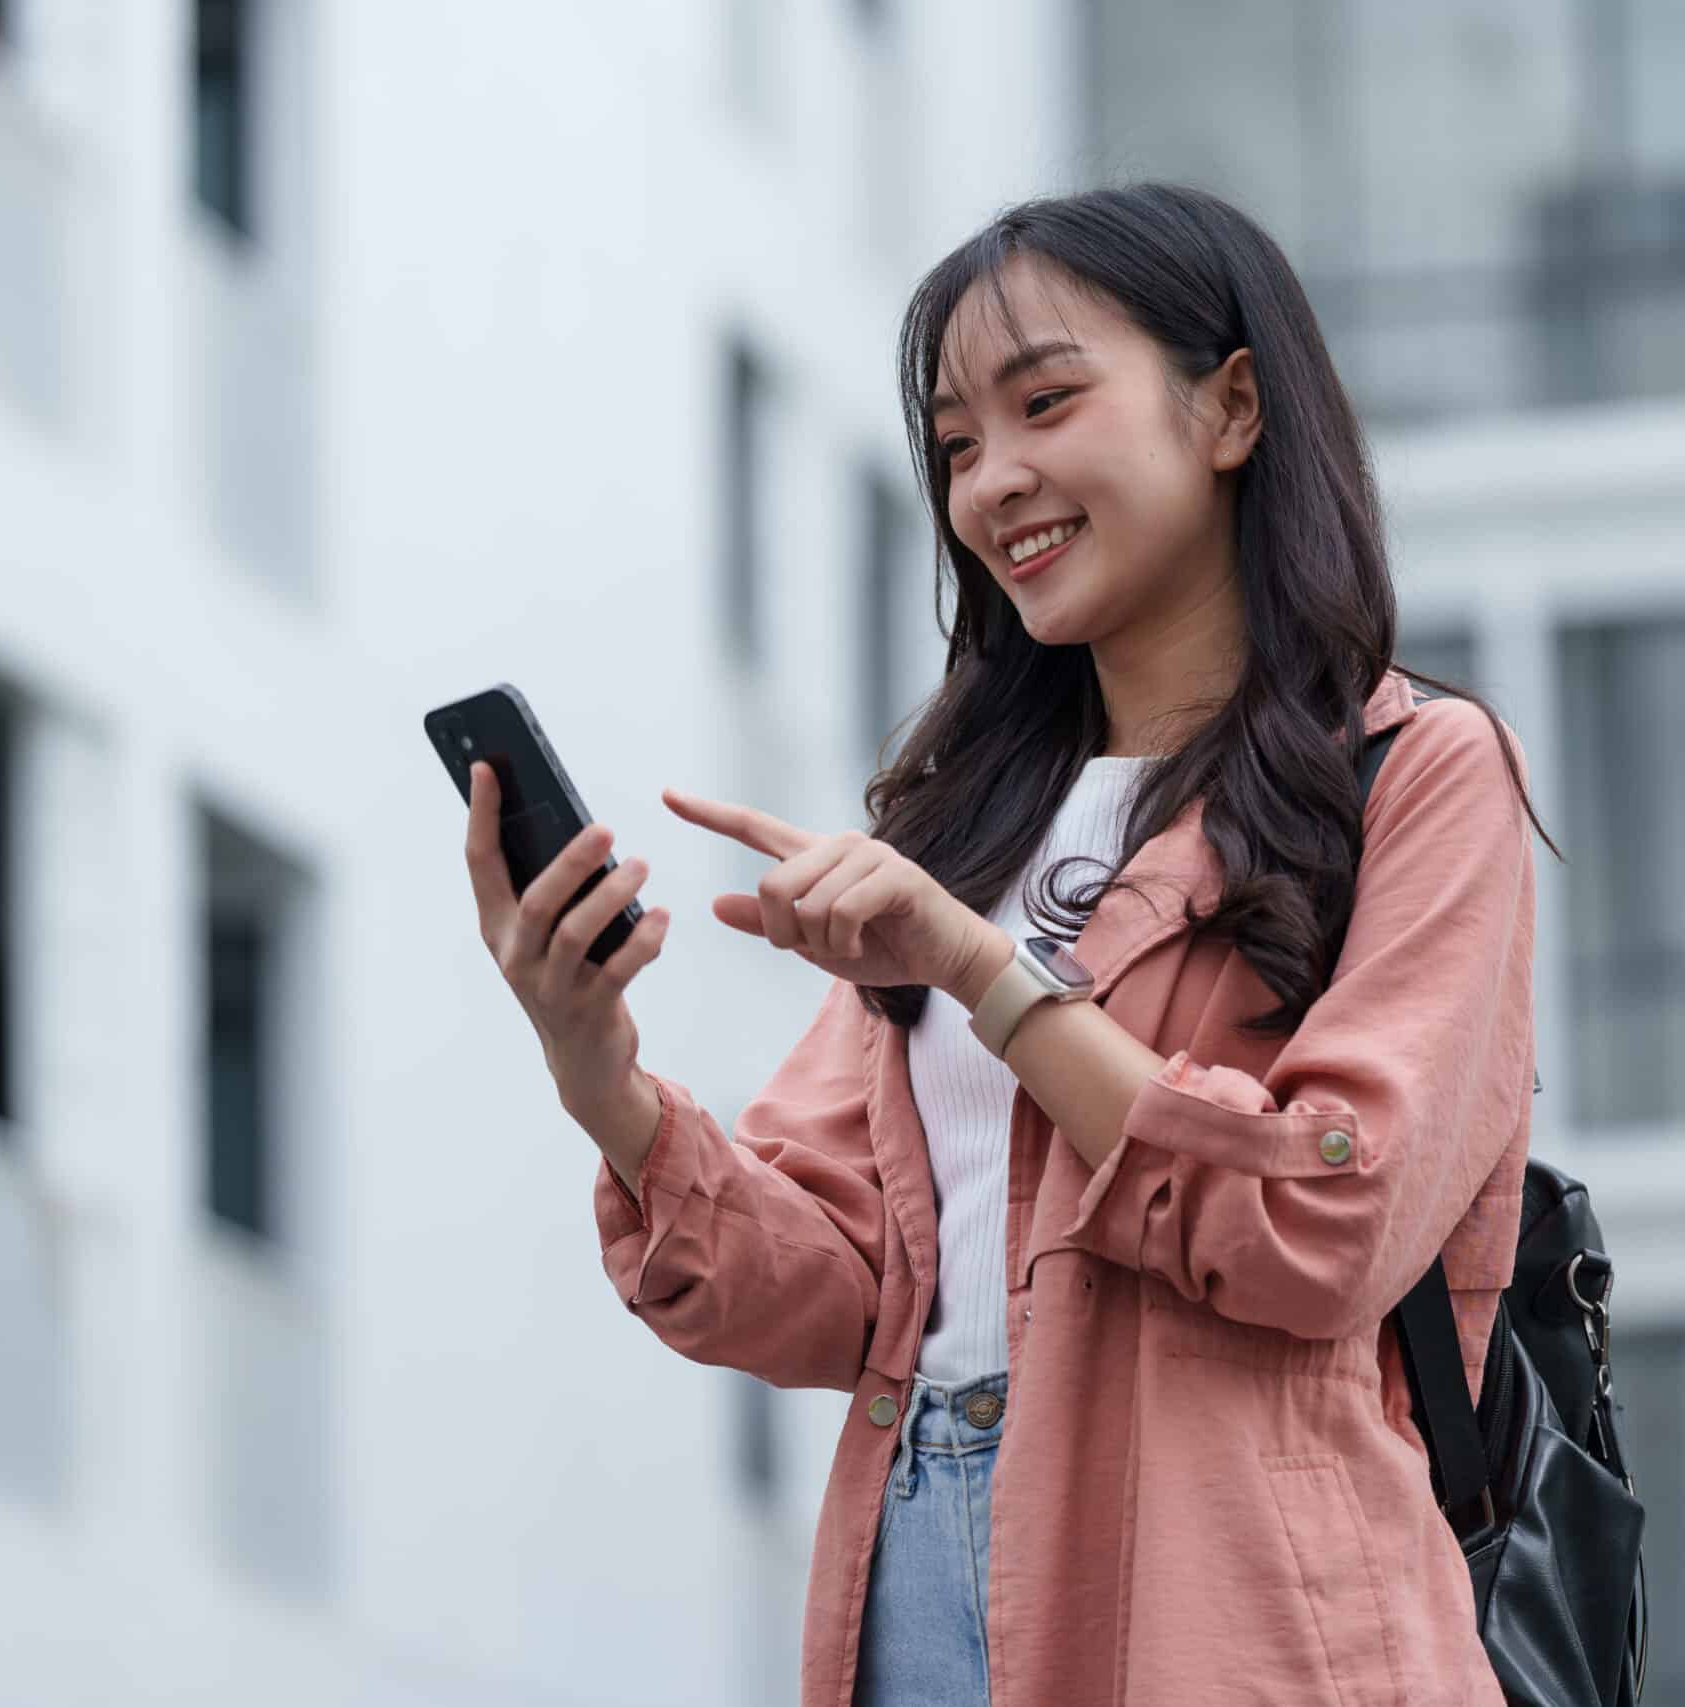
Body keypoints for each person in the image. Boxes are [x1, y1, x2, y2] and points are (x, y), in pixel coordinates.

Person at [463, 182, 1558, 1707]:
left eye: (1045, 403)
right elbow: (843, 1291)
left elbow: (1326, 1223)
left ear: (1232, 406)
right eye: (958, 445)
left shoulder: (1420, 773)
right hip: (916, 1558)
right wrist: (600, 1075)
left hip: (1237, 1597)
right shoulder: (964, 832)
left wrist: (984, 971)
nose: (995, 484)